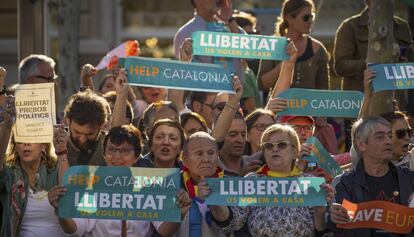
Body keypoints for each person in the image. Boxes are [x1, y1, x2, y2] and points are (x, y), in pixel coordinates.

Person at [48, 125, 192, 237]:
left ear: (137, 157)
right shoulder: (90, 186)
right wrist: (62, 213)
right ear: (104, 155)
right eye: (111, 150)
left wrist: (180, 214)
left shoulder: (150, 186)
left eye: (124, 151)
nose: (116, 156)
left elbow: (164, 230)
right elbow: (76, 230)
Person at [211, 124, 334, 236]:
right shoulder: (253, 181)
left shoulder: (311, 184)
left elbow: (324, 232)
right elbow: (232, 222)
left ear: (295, 151)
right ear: (264, 153)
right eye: (268, 146)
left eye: (281, 144)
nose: (275, 149)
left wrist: (320, 209)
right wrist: (214, 199)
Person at [328, 117, 414, 236]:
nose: (388, 141)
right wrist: (334, 217)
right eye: (380, 137)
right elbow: (339, 227)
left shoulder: (409, 179)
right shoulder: (344, 183)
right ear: (361, 144)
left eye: (390, 136)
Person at [0, 96, 68, 237]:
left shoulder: (55, 171)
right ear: (15, 148)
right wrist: (7, 125)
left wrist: (62, 152)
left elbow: (69, 193)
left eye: (32, 139)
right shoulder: (11, 176)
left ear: (43, 145)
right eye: (21, 140)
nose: (26, 144)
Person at [257, 0, 330, 95]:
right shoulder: (272, 45)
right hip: (279, 107)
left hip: (309, 108)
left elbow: (324, 90)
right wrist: (286, 64)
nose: (310, 21)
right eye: (306, 18)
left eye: (312, 17)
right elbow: (262, 84)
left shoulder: (318, 49)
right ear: (289, 18)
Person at [177, 131, 237, 237]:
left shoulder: (230, 184)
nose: (206, 159)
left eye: (211, 153)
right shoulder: (174, 184)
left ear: (218, 157)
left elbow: (229, 224)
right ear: (185, 160)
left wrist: (213, 198)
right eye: (199, 154)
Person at [174, 0, 244, 80]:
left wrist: (230, 19)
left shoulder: (230, 26)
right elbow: (183, 74)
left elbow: (250, 55)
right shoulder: (185, 33)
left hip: (238, 91)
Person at [63, 89, 110, 166]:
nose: (82, 140)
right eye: (77, 132)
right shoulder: (56, 145)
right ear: (68, 121)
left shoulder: (108, 145)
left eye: (90, 134)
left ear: (101, 125)